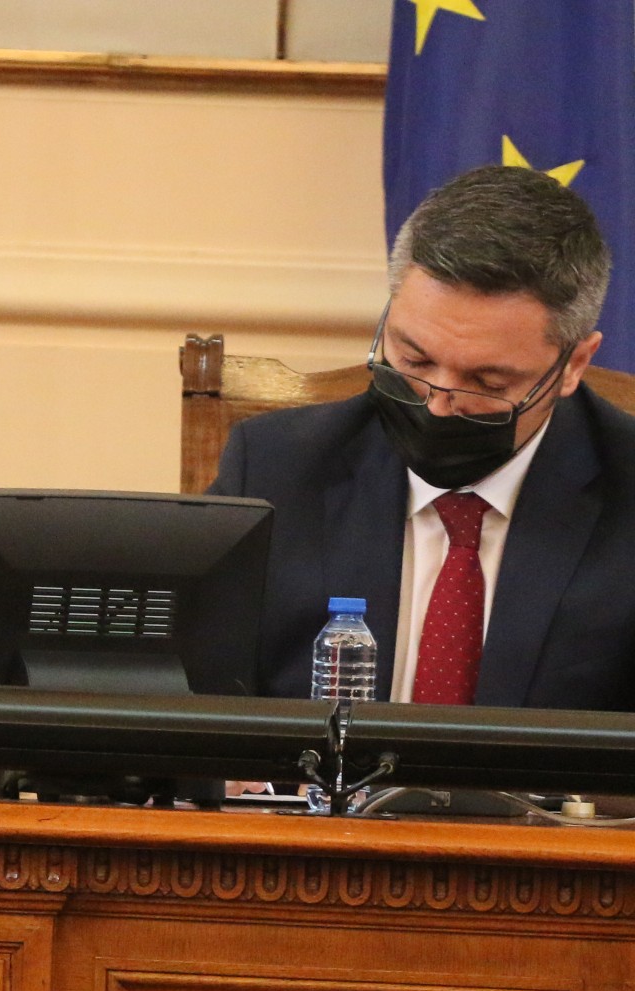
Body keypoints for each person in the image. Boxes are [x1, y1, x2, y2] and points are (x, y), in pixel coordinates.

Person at [216, 164, 635, 710]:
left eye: (489, 382)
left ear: (574, 365)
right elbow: (200, 695)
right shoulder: (275, 470)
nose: (437, 404)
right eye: (413, 359)